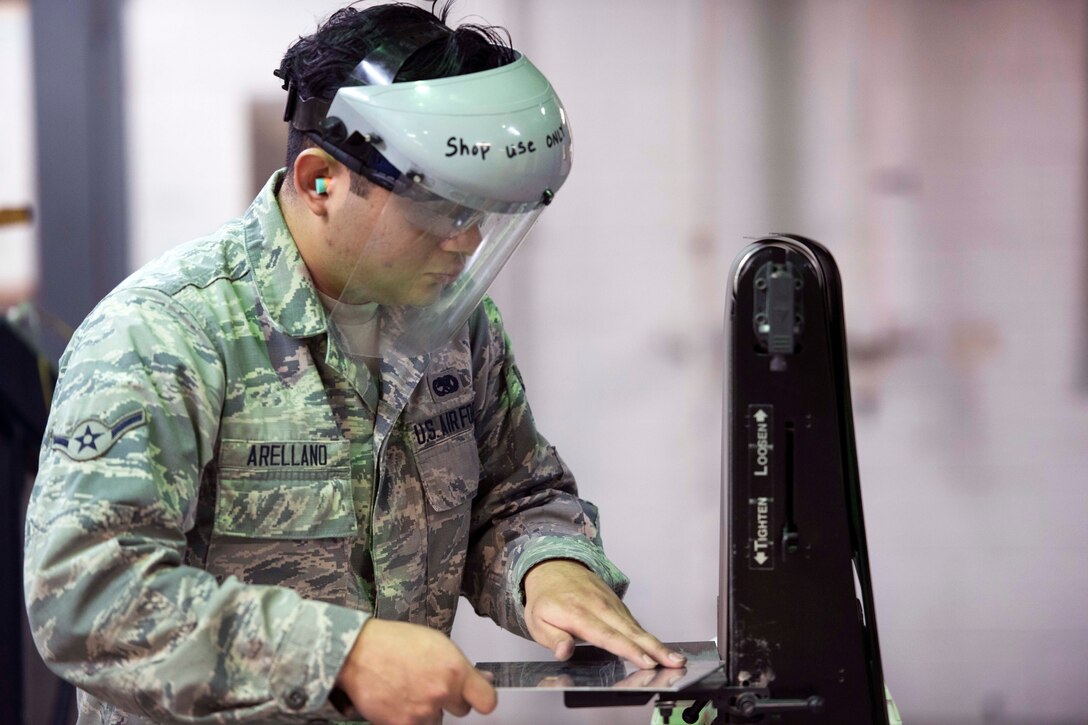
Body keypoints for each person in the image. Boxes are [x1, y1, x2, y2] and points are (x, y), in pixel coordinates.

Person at [23, 2, 684, 723]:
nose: (465, 244)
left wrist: (548, 568)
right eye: (440, 209)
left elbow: (513, 493)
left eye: (480, 217)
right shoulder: (164, 334)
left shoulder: (452, 329)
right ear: (319, 182)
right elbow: (89, 598)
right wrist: (343, 654)